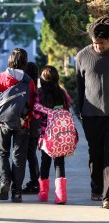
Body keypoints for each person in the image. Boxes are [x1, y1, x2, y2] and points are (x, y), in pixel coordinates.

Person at [0, 48, 36, 203]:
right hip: (22, 122)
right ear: (25, 63)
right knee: (19, 156)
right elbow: (32, 103)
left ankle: (5, 181)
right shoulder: (28, 81)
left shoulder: (1, 78)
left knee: (2, 153)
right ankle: (17, 192)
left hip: (4, 122)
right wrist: (28, 118)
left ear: (10, 61)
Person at [75, 16, 109, 209]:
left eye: (102, 44)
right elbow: (80, 87)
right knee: (95, 154)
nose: (98, 47)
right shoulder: (82, 56)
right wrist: (81, 112)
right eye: (95, 43)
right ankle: (96, 189)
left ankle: (107, 196)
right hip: (91, 115)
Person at [33, 65, 71, 204]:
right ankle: (61, 196)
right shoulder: (62, 93)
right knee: (59, 163)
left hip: (46, 135)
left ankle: (43, 194)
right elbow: (67, 106)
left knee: (45, 161)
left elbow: (36, 115)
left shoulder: (39, 93)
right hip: (60, 134)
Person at [22, 62, 40, 194]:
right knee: (31, 154)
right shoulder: (38, 89)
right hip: (35, 126)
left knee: (25, 155)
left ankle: (34, 182)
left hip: (26, 124)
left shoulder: (25, 87)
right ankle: (35, 181)